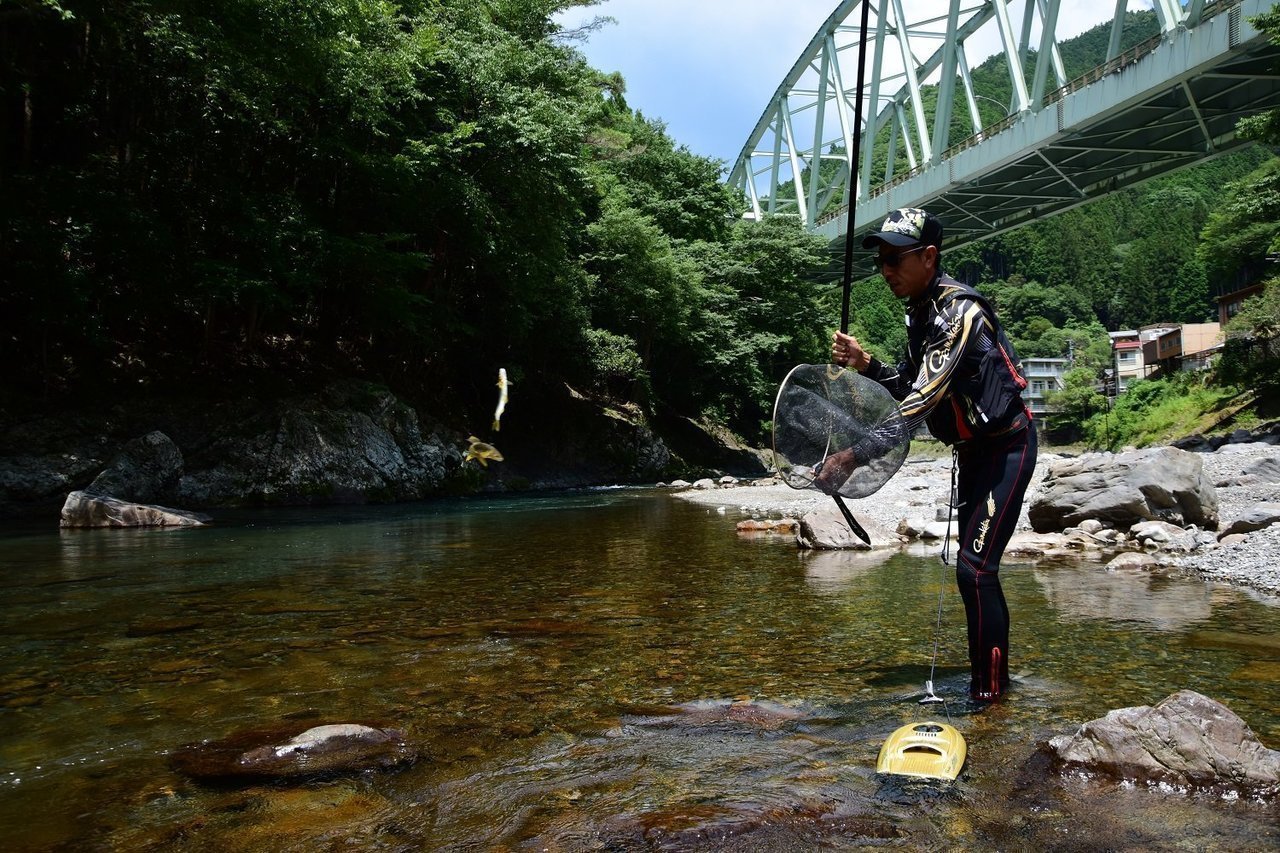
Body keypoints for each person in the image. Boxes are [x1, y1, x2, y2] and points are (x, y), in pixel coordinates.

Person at [828, 207, 1038, 703]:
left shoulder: (959, 315)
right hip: (972, 454)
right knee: (972, 571)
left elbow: (918, 405)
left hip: (1006, 450)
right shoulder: (921, 312)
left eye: (896, 259)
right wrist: (866, 363)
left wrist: (851, 457)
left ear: (928, 257)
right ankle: (989, 687)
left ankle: (990, 696)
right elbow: (912, 385)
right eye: (880, 261)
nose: (886, 271)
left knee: (976, 569)